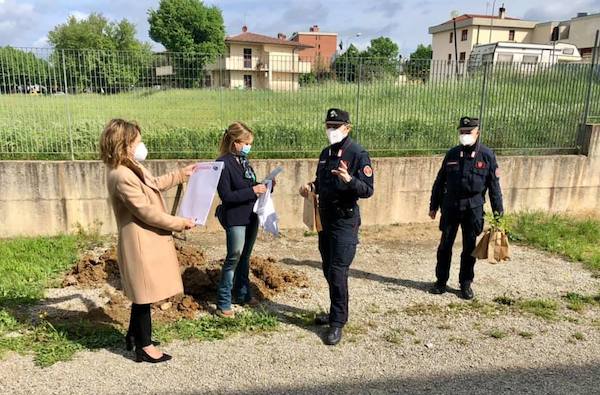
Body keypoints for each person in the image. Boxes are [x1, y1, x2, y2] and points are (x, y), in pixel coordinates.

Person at [100, 119, 196, 363]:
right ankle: (145, 346)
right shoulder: (121, 175)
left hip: (145, 239)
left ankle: (134, 336)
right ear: (125, 144)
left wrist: (180, 175)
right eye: (137, 141)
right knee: (144, 294)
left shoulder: (129, 166)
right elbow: (146, 212)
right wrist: (180, 222)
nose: (141, 145)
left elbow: (152, 185)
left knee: (143, 293)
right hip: (140, 242)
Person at [299, 108, 374, 346]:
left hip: (345, 220)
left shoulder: (357, 153)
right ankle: (335, 312)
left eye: (336, 126)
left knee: (338, 270)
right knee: (328, 268)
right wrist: (311, 187)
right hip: (325, 219)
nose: (331, 130)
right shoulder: (326, 153)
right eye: (328, 126)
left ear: (347, 127)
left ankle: (338, 322)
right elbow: (322, 183)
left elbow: (368, 189)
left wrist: (350, 180)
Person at [429, 116, 504, 300]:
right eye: (462, 132)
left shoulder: (487, 156)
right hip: (451, 206)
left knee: (469, 248)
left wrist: (498, 216)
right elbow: (440, 182)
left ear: (477, 133)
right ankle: (441, 281)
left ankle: (465, 283)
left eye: (468, 132)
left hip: (474, 208)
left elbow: (494, 188)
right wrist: (433, 206)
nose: (464, 136)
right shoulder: (452, 154)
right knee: (445, 246)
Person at [215, 122, 270, 318]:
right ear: (235, 142)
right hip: (235, 217)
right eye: (246, 143)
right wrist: (252, 190)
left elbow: (249, 184)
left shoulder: (244, 161)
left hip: (251, 215)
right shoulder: (222, 164)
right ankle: (223, 302)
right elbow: (227, 196)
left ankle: (243, 294)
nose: (249, 146)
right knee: (233, 258)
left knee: (245, 257)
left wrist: (264, 186)